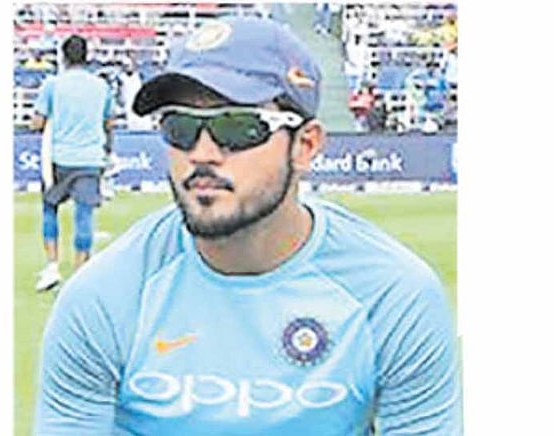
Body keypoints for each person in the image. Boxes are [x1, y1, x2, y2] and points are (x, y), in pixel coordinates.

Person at [35, 17, 460, 434]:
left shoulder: (393, 295)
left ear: (306, 145)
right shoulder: (103, 296)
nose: (202, 154)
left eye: (237, 128)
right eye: (180, 128)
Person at [30, 34, 114, 291]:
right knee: (84, 213)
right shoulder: (101, 86)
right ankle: (80, 272)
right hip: (90, 157)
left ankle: (52, 266)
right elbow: (109, 123)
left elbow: (37, 122)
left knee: (50, 208)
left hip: (59, 158)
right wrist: (107, 152)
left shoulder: (53, 85)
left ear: (64, 57)